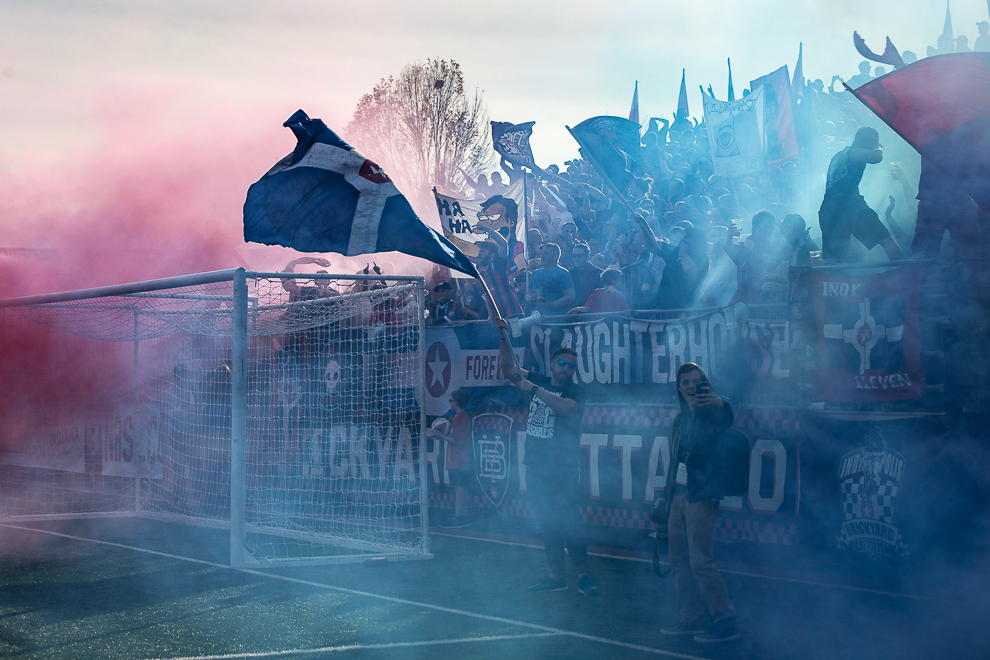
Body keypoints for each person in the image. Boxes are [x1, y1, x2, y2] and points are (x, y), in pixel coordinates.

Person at [495, 324, 598, 597]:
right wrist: (503, 337)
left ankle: (583, 575)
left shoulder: (576, 392)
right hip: (536, 465)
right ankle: (555, 576)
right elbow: (509, 369)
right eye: (562, 363)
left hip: (562, 468)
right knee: (548, 523)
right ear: (553, 363)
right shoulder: (539, 379)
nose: (566, 369)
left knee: (570, 522)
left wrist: (536, 390)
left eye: (571, 366)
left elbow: (567, 409)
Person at [661, 362, 740, 644]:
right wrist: (664, 495)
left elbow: (727, 419)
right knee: (678, 562)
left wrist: (720, 404)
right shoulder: (680, 420)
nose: (691, 387)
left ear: (704, 383)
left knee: (700, 562)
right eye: (685, 383)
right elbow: (674, 461)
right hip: (679, 496)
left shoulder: (712, 414)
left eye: (696, 381)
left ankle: (725, 619)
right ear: (679, 389)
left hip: (701, 496)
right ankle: (690, 618)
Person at [817, 127, 904, 263]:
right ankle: (907, 274)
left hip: (829, 209)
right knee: (886, 240)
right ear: (868, 143)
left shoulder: (839, 155)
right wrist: (878, 147)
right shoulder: (855, 153)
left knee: (833, 258)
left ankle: (831, 283)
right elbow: (876, 157)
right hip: (849, 206)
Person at [428, 389, 473, 528]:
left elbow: (459, 441)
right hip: (464, 459)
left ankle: (458, 517)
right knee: (463, 488)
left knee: (459, 488)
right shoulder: (465, 417)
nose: (450, 403)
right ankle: (463, 516)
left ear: (456, 402)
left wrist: (441, 437)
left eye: (451, 400)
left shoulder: (458, 418)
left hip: (458, 459)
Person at [526, 243, 576, 317]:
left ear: (555, 257)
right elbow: (527, 293)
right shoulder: (535, 273)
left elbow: (571, 296)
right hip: (537, 317)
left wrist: (552, 305)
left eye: (546, 253)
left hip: (556, 318)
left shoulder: (563, 273)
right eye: (542, 253)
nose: (542, 255)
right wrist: (530, 298)